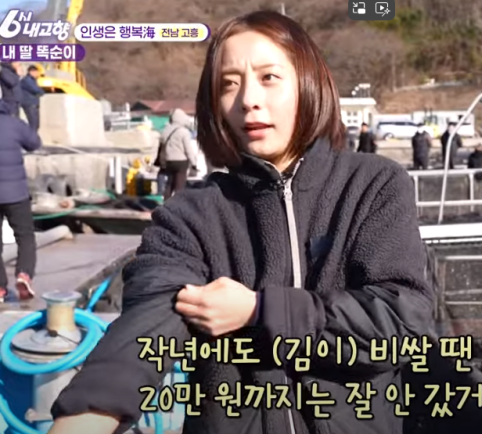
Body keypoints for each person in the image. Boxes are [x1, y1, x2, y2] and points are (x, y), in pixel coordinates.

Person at [49, 10, 433, 434]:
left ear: (309, 84)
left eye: (269, 77)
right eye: (228, 83)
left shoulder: (374, 184)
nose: (248, 98)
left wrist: (259, 309)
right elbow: (142, 334)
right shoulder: (187, 216)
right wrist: (85, 417)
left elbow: (405, 323)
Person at [0, 100, 41, 302]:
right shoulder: (14, 123)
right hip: (16, 194)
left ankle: (0, 288)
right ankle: (24, 274)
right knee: (25, 236)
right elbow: (34, 143)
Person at [158, 108, 197, 200]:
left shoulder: (165, 130)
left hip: (168, 160)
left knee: (169, 183)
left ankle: (166, 202)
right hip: (181, 161)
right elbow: (188, 149)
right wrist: (194, 163)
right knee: (180, 185)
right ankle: (178, 204)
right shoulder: (184, 132)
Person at [20, 65, 44, 131]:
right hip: (29, 104)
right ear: (31, 72)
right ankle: (31, 137)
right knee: (33, 124)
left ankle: (33, 136)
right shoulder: (27, 80)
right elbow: (36, 90)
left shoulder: (33, 80)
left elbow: (39, 91)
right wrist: (40, 91)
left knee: (36, 124)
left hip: (34, 104)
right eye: (36, 72)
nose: (37, 74)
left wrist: (40, 91)